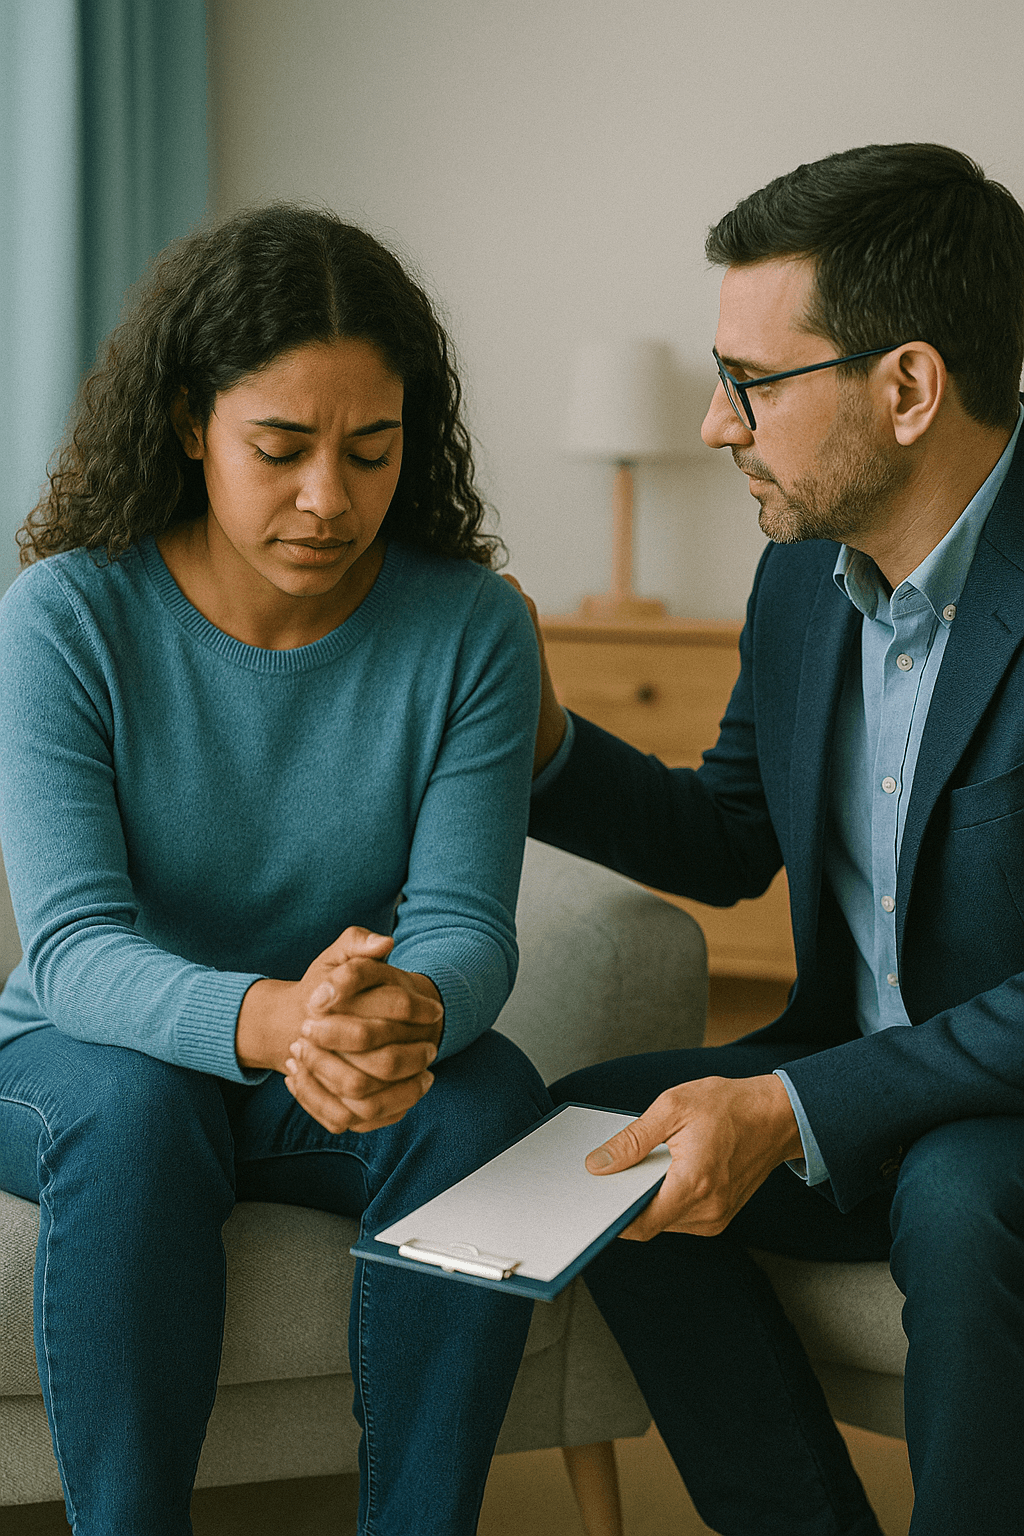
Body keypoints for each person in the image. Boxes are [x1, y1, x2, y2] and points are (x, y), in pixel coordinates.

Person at [0, 204, 552, 1536]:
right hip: (85, 1056)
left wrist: (404, 1010)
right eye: (281, 448)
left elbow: (467, 925)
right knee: (140, 1109)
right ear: (189, 422)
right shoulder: (68, 615)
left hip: (322, 1062)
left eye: (371, 451)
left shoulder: (472, 628)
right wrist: (280, 1019)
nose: (328, 498)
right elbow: (72, 950)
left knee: (486, 1103)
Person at [521, 143, 1024, 1535]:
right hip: (860, 1071)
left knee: (962, 1192)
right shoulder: (800, 574)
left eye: (753, 383)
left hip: (1004, 1113)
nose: (715, 426)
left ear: (908, 388)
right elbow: (732, 834)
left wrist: (793, 1110)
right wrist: (539, 737)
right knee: (592, 1143)